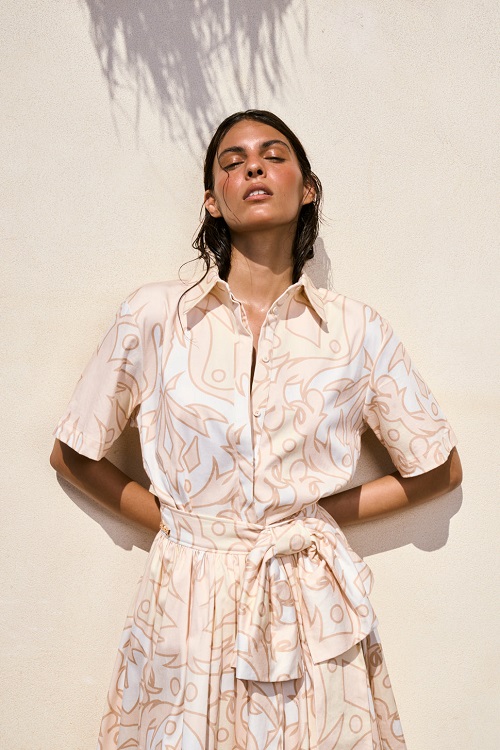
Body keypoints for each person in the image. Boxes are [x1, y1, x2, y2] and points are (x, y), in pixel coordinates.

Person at [50, 109, 463, 750]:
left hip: (307, 603)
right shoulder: (156, 316)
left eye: (273, 156)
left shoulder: (356, 330)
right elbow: (74, 452)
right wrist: (185, 528)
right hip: (187, 597)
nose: (253, 168)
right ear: (213, 201)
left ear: (308, 189)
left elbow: (438, 467)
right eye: (233, 161)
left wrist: (310, 520)